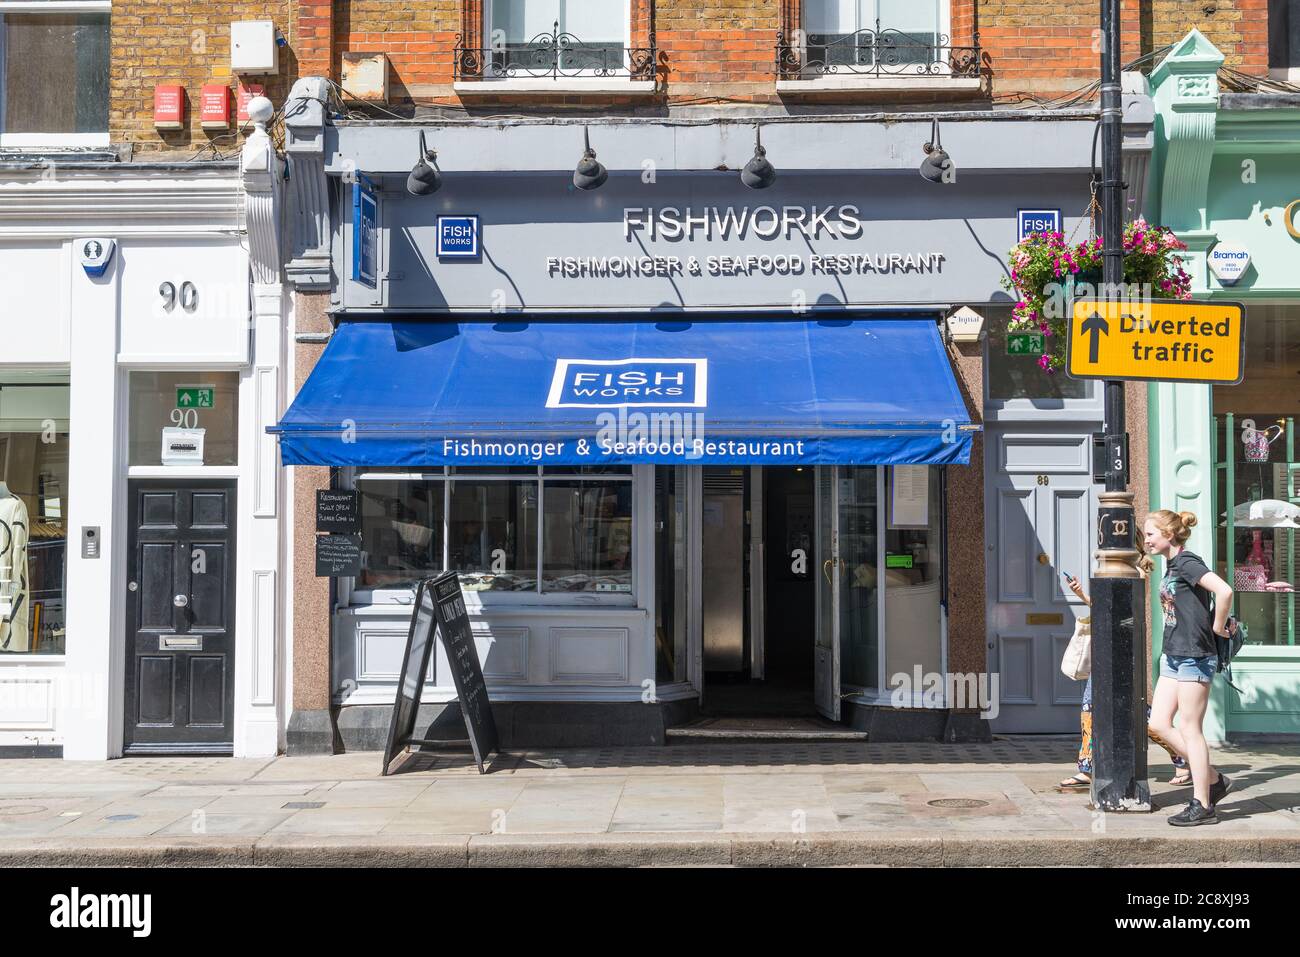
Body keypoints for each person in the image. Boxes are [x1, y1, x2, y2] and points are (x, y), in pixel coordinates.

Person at [1057, 557, 1190, 792]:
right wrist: (1081, 594)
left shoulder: (1133, 572)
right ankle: (1087, 767)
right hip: (1106, 649)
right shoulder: (1123, 569)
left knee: (1140, 715)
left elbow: (1123, 615)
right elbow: (1106, 610)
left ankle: (1182, 755)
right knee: (1090, 708)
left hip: (1122, 653)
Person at [1144, 509, 1236, 826]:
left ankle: (1203, 804)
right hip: (1173, 655)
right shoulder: (1171, 565)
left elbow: (1224, 591)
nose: (1146, 541)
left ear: (1168, 535)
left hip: (1195, 655)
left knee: (1190, 729)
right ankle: (1212, 778)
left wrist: (1219, 626)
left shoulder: (1187, 562)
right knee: (1157, 723)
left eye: (1150, 534)